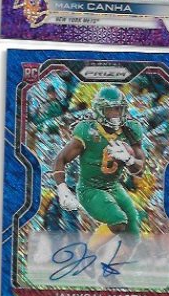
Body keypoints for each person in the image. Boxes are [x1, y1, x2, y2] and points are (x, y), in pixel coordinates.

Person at [53, 85, 145, 265]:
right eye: (110, 109)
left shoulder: (131, 129)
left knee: (133, 237)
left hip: (114, 187)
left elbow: (139, 171)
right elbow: (61, 158)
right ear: (99, 110)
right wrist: (62, 188)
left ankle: (109, 272)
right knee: (118, 221)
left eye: (119, 108)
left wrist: (129, 160)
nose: (116, 114)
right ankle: (86, 253)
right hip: (90, 188)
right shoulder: (87, 130)